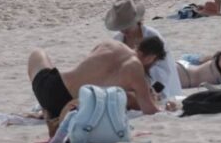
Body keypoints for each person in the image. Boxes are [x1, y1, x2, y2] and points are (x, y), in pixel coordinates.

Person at [27, 36, 168, 120]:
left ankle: (46, 109)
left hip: (50, 87)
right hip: (67, 106)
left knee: (37, 53)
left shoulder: (110, 44)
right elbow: (149, 109)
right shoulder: (136, 68)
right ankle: (49, 111)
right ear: (151, 58)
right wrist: (168, 109)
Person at [105, 0, 182, 98]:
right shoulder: (117, 39)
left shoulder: (152, 36)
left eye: (127, 25)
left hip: (158, 88)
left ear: (137, 21)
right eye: (121, 26)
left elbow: (165, 70)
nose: (124, 30)